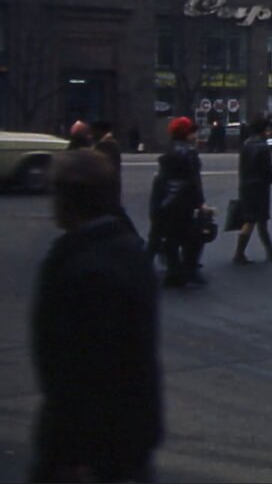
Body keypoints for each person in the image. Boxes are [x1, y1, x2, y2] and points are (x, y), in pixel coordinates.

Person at [31, 150, 162, 483]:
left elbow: (88, 368)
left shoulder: (88, 268)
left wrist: (78, 454)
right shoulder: (124, 249)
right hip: (126, 435)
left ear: (69, 198)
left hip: (93, 447)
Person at [151, 116, 210, 288]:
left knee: (172, 238)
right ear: (186, 134)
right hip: (184, 201)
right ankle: (189, 270)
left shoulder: (170, 151)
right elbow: (193, 180)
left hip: (167, 201)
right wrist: (201, 203)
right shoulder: (189, 154)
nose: (195, 135)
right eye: (192, 132)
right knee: (194, 237)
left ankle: (174, 272)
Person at [234, 115, 272, 265]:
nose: (269, 133)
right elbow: (268, 170)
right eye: (268, 130)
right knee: (253, 220)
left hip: (246, 184)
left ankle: (270, 249)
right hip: (259, 187)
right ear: (263, 130)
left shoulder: (247, 144)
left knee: (259, 220)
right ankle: (240, 253)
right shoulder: (262, 147)